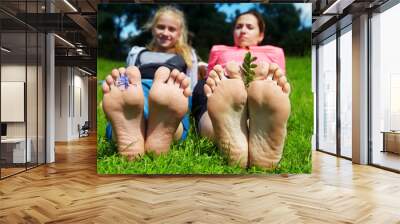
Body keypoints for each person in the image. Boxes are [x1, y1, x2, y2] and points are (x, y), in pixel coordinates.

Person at [192, 10, 291, 169]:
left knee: (264, 91)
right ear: (233, 32)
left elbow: (280, 82)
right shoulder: (219, 50)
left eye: (249, 27)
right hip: (224, 87)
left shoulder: (274, 52)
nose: (243, 30)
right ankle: (244, 131)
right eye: (239, 26)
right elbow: (210, 78)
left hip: (258, 91)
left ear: (260, 35)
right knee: (210, 95)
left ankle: (239, 133)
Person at [102, 6, 197, 159]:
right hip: (139, 88)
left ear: (180, 33)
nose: (165, 33)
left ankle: (143, 128)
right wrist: (119, 89)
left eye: (171, 29)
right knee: (132, 95)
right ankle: (155, 129)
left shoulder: (186, 55)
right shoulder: (138, 52)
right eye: (161, 27)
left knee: (172, 107)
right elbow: (127, 76)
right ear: (153, 29)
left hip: (171, 92)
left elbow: (191, 84)